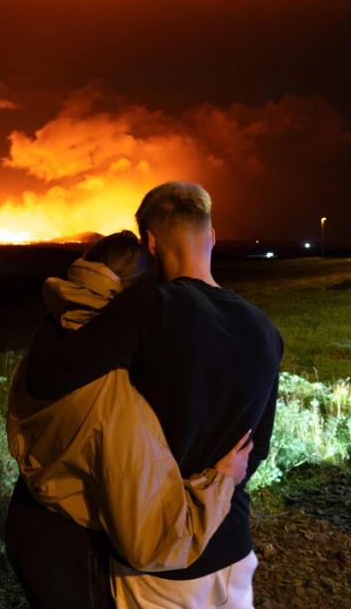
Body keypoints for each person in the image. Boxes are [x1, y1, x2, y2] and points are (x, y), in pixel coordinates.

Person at [23, 183, 283, 608]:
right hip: (232, 545)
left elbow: (49, 378)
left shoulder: (149, 309)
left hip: (158, 556)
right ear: (212, 236)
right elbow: (257, 450)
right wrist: (221, 478)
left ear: (150, 242)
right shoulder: (266, 331)